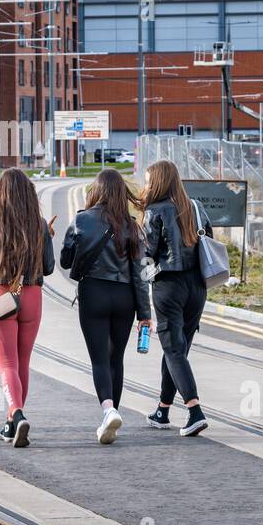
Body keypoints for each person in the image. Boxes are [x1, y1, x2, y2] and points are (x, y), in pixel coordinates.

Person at [60, 168, 151, 444]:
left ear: (97, 190)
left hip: (94, 293)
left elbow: (65, 261)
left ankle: (108, 410)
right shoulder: (132, 226)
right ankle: (113, 415)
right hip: (124, 297)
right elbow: (141, 274)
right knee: (116, 359)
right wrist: (145, 314)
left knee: (99, 359)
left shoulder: (82, 220)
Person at [0, 168, 55, 448]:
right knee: (23, 362)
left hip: (1, 294)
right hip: (32, 294)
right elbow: (49, 267)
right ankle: (11, 422)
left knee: (7, 363)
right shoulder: (39, 224)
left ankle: (16, 415)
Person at [140, 160, 212, 437]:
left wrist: (142, 278)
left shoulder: (155, 211)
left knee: (173, 348)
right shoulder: (195, 206)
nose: (146, 186)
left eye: (148, 181)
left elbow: (148, 252)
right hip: (198, 286)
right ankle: (162, 409)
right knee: (178, 350)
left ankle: (195, 410)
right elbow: (210, 239)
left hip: (168, 284)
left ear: (158, 182)